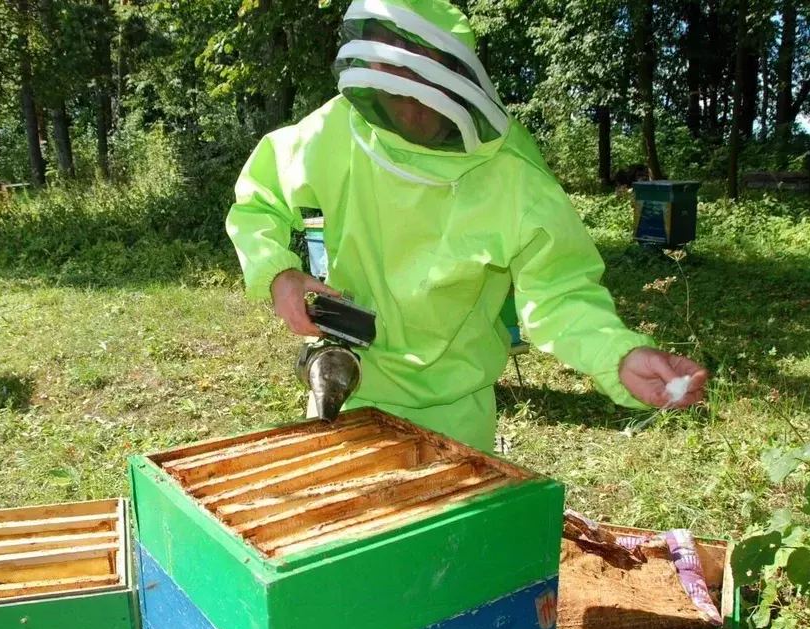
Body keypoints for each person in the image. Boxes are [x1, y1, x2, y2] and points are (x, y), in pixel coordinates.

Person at [226, 0, 707, 453]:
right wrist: (277, 271)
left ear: (451, 73)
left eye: (416, 87)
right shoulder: (335, 131)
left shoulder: (512, 173)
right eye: (388, 89)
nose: (407, 111)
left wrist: (618, 355)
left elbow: (560, 292)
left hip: (455, 409)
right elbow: (260, 195)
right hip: (344, 381)